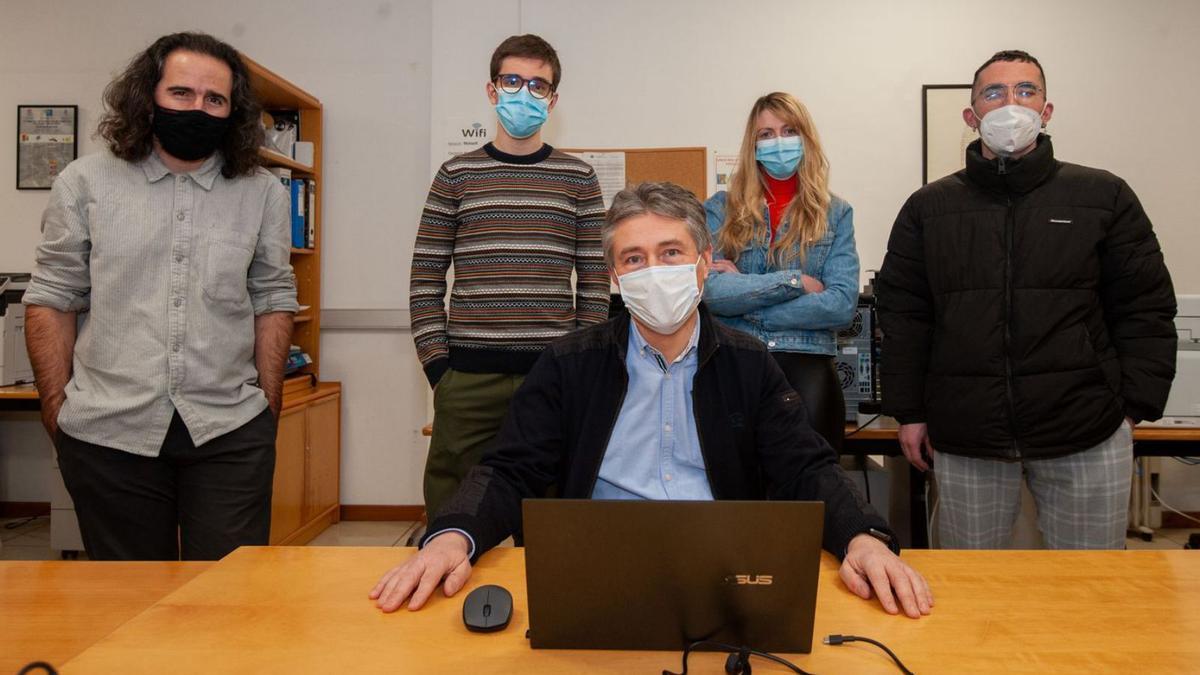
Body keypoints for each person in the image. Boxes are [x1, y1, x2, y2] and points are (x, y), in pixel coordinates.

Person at [375, 182, 933, 619]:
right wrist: (453, 535)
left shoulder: (747, 362)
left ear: (702, 263)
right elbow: (510, 468)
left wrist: (863, 536)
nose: (655, 271)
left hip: (721, 567)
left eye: (671, 252)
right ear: (615, 275)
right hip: (595, 563)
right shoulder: (571, 363)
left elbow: (806, 467)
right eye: (635, 258)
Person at [876, 50, 1176, 550]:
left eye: (1025, 91)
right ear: (972, 117)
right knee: (972, 596)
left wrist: (1131, 407)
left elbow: (1145, 305)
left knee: (1091, 593)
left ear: (1047, 110)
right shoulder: (929, 208)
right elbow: (905, 317)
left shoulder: (1104, 196)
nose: (1010, 103)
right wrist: (908, 411)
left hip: (1086, 430)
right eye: (994, 93)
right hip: (968, 433)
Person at [22, 32, 298, 561]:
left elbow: (272, 297)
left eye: (214, 99)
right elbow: (52, 297)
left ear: (232, 111)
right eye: (182, 93)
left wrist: (266, 410)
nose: (198, 107)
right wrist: (57, 411)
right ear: (147, 96)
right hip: (109, 433)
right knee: (130, 609)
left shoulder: (261, 191)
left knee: (229, 598)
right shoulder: (84, 182)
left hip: (228, 431)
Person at [409, 34, 609, 520]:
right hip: (467, 377)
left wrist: (576, 364)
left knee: (550, 516)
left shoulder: (578, 177)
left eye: (538, 85)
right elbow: (425, 280)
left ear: (553, 99)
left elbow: (596, 282)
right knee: (454, 509)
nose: (525, 92)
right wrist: (440, 370)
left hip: (552, 373)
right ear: (493, 90)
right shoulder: (455, 175)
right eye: (513, 80)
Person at [703, 92, 859, 452]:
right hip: (735, 365)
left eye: (789, 131)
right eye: (766, 134)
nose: (779, 142)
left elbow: (840, 305)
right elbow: (710, 292)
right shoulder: (719, 209)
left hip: (807, 369)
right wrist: (795, 282)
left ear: (806, 138)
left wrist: (744, 300)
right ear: (752, 145)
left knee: (809, 495)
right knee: (738, 497)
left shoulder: (835, 213)